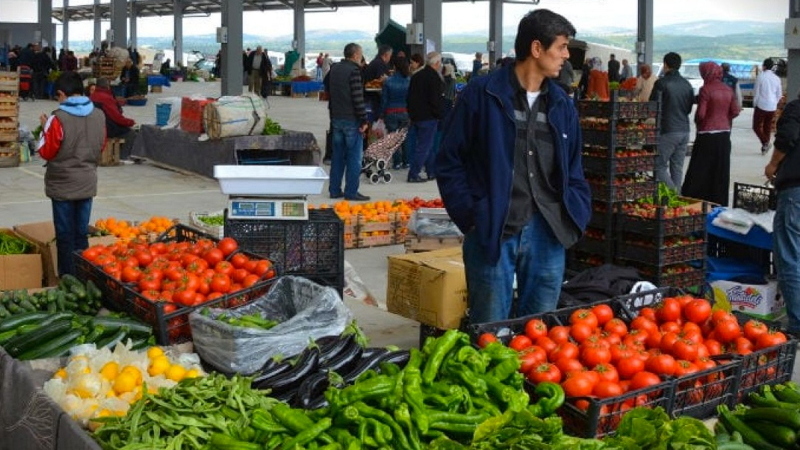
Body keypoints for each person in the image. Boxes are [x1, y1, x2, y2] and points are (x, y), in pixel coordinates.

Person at [436, 9, 591, 323]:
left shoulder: (562, 104)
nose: (566, 56)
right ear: (537, 48)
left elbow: (574, 167)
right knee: (490, 329)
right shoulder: (483, 94)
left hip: (549, 230)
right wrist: (471, 215)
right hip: (494, 227)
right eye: (561, 47)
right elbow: (449, 159)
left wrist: (576, 211)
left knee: (540, 333)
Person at [36, 72, 106, 277]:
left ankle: (68, 277)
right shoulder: (99, 115)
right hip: (87, 182)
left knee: (65, 235)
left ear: (61, 93)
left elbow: (46, 151)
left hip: (62, 185)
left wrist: (45, 128)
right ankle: (84, 276)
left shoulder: (57, 118)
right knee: (81, 233)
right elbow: (100, 146)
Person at [765, 90, 800, 334]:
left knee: (789, 257)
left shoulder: (796, 109)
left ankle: (797, 324)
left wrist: (773, 164)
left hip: (795, 191)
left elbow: (786, 137)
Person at [681, 62, 740, 206]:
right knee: (720, 169)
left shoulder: (705, 89)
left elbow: (701, 114)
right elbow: (735, 111)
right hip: (724, 134)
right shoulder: (728, 89)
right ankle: (719, 201)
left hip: (707, 133)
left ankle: (697, 199)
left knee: (701, 168)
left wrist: (697, 121)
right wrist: (725, 119)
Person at [325, 43, 370, 201]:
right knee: (354, 157)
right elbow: (357, 97)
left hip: (336, 118)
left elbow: (328, 90)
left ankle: (334, 189)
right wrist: (364, 119)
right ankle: (351, 191)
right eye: (360, 54)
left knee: (337, 156)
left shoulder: (334, 68)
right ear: (355, 55)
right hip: (351, 119)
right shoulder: (354, 71)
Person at [650, 52, 694, 190]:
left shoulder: (661, 83)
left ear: (665, 65)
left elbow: (652, 106)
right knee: (677, 167)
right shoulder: (687, 84)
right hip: (684, 130)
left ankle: (674, 194)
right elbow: (688, 109)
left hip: (668, 130)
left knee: (658, 166)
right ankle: (676, 198)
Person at [407, 52, 444, 183]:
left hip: (416, 116)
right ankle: (414, 173)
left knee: (427, 145)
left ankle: (431, 171)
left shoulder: (416, 76)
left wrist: (411, 113)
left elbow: (409, 97)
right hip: (429, 117)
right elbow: (435, 100)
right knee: (424, 146)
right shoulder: (434, 78)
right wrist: (439, 114)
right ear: (437, 63)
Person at [90, 78, 137, 159]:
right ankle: (123, 157)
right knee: (131, 133)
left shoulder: (92, 96)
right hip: (107, 128)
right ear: (108, 86)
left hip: (95, 126)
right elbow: (116, 117)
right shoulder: (106, 98)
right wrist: (130, 122)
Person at [381, 56, 411, 170]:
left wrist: (382, 114)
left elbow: (384, 100)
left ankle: (397, 162)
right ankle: (406, 161)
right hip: (405, 111)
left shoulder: (388, 81)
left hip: (390, 112)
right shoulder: (409, 81)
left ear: (394, 67)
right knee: (405, 137)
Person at [753, 58, 783, 155]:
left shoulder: (761, 77)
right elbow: (779, 94)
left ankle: (765, 142)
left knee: (756, 126)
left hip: (761, 105)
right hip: (772, 106)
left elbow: (756, 92)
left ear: (764, 66)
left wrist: (755, 103)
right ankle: (764, 147)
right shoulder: (777, 78)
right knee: (767, 126)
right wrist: (774, 102)